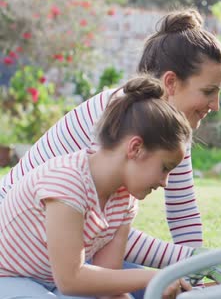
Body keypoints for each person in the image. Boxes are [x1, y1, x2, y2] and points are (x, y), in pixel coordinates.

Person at [0, 8, 221, 284]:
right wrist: (191, 261)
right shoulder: (119, 119)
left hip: (67, 248)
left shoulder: (168, 127)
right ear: (171, 82)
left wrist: (198, 273)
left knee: (153, 283)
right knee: (143, 281)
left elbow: (182, 211)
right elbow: (100, 229)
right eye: (209, 92)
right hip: (20, 247)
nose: (215, 106)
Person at [0, 77, 194, 297]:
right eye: (164, 168)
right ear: (135, 148)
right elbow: (71, 280)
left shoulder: (123, 200)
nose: (165, 182)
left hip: (49, 280)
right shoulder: (67, 182)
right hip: (8, 277)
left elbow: (107, 286)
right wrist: (154, 277)